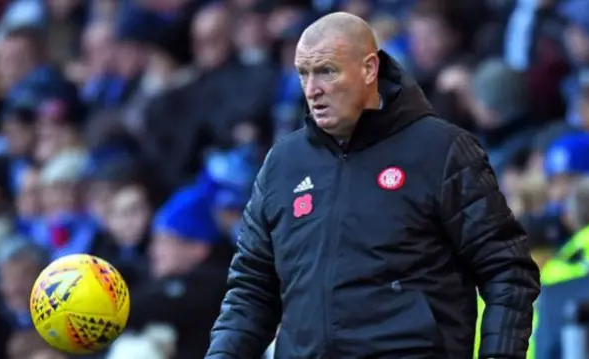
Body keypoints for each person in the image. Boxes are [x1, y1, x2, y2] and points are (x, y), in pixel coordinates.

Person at [206, 12, 540, 359]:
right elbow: (251, 290)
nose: (311, 89)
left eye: (326, 71)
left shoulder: (441, 151)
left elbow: (507, 271)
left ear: (369, 69)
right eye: (303, 73)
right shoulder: (283, 164)